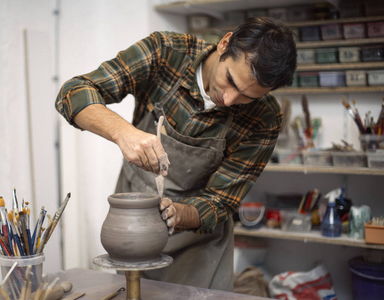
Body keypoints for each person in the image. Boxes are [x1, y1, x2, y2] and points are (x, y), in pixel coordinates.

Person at [55, 16, 297, 291]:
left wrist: (179, 214)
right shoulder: (167, 52)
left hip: (198, 247)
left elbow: (220, 201)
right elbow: (72, 93)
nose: (229, 100)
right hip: (133, 225)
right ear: (225, 44)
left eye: (247, 96)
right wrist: (123, 132)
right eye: (229, 79)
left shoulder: (265, 117)